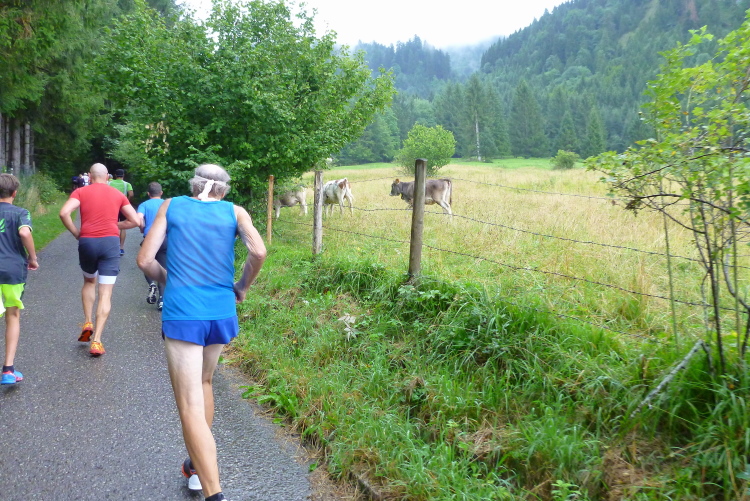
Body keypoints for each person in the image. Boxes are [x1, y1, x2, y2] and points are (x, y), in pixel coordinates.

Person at [137, 164, 266, 501]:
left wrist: (167, 279)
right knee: (205, 382)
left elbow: (145, 260)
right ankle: (196, 467)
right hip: (220, 311)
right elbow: (258, 252)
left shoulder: (171, 206)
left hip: (184, 313)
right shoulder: (235, 212)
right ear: (223, 189)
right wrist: (242, 286)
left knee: (189, 405)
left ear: (194, 185)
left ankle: (214, 493)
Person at [59, 163, 140, 356]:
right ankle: (96, 341)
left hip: (87, 241)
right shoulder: (117, 194)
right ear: (107, 176)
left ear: (90, 175)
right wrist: (115, 225)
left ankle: (88, 323)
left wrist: (76, 233)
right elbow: (135, 221)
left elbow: (63, 213)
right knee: (105, 292)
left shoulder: (80, 192)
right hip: (110, 243)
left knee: (89, 281)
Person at [0, 174, 39, 384]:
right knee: (12, 315)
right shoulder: (21, 213)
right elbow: (24, 233)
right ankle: (8, 370)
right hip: (12, 270)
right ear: (14, 193)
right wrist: (32, 257)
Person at [136, 182, 166, 310]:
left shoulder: (144, 205)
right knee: (163, 267)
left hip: (150, 239)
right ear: (161, 193)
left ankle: (151, 284)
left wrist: (142, 228)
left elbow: (139, 218)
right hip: (165, 238)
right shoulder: (167, 204)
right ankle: (162, 300)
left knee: (147, 263)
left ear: (148, 194)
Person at [108, 168, 134, 256]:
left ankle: (112, 246)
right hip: (123, 207)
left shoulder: (109, 183)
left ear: (115, 175)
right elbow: (131, 194)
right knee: (123, 227)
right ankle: (121, 248)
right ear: (123, 175)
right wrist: (127, 200)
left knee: (111, 225)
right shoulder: (127, 184)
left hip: (112, 207)